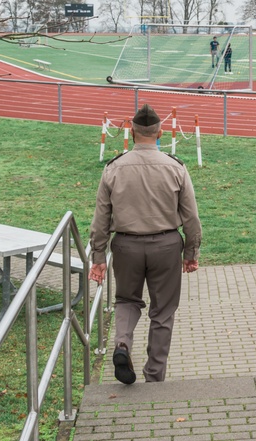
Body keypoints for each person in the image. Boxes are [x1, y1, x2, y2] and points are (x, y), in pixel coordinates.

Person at [89, 104, 203, 385]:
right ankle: (154, 375)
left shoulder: (113, 168)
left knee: (127, 300)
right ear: (160, 133)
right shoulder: (175, 167)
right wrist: (191, 252)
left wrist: (98, 256)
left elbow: (101, 217)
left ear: (131, 131)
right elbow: (191, 217)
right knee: (163, 310)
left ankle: (123, 344)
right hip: (166, 245)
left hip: (126, 245)